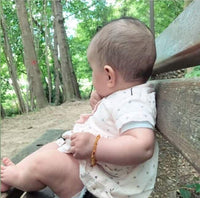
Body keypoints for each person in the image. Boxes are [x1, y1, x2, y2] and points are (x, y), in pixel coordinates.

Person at [1, 17, 159, 198]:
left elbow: (142, 146)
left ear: (109, 76)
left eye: (93, 70)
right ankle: (18, 172)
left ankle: (17, 177)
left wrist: (95, 146)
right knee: (52, 147)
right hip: (96, 172)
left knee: (46, 162)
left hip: (101, 189)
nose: (93, 76)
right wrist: (97, 110)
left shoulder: (134, 103)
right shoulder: (127, 96)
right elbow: (115, 124)